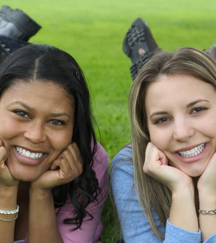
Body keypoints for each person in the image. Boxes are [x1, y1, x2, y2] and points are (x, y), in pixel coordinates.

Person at [111, 18, 216, 243]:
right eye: (162, 119)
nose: (181, 133)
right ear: (145, 127)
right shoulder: (131, 167)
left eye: (197, 109)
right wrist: (181, 191)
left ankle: (150, 63)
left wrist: (208, 194)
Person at [0, 43, 109, 243]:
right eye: (21, 113)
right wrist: (6, 191)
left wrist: (41, 192)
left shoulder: (89, 161)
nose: (35, 135)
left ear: (74, 127)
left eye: (56, 122)